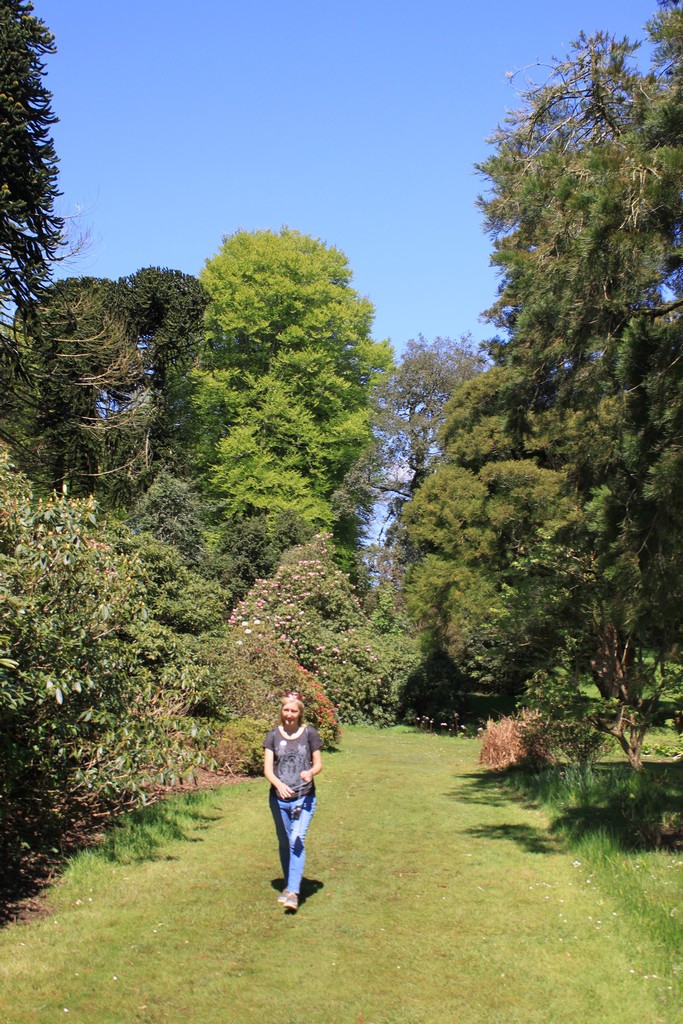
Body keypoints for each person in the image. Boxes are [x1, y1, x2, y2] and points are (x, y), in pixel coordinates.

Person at [264, 691, 323, 912]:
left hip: (303, 796)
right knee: (284, 841)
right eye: (286, 710)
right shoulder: (272, 735)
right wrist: (278, 785)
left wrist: (310, 772)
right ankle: (290, 884)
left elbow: (318, 764)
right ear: (281, 711)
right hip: (279, 800)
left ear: (300, 713)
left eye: (293, 711)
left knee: (296, 839)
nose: (289, 714)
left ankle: (293, 893)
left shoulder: (309, 733)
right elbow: (267, 769)